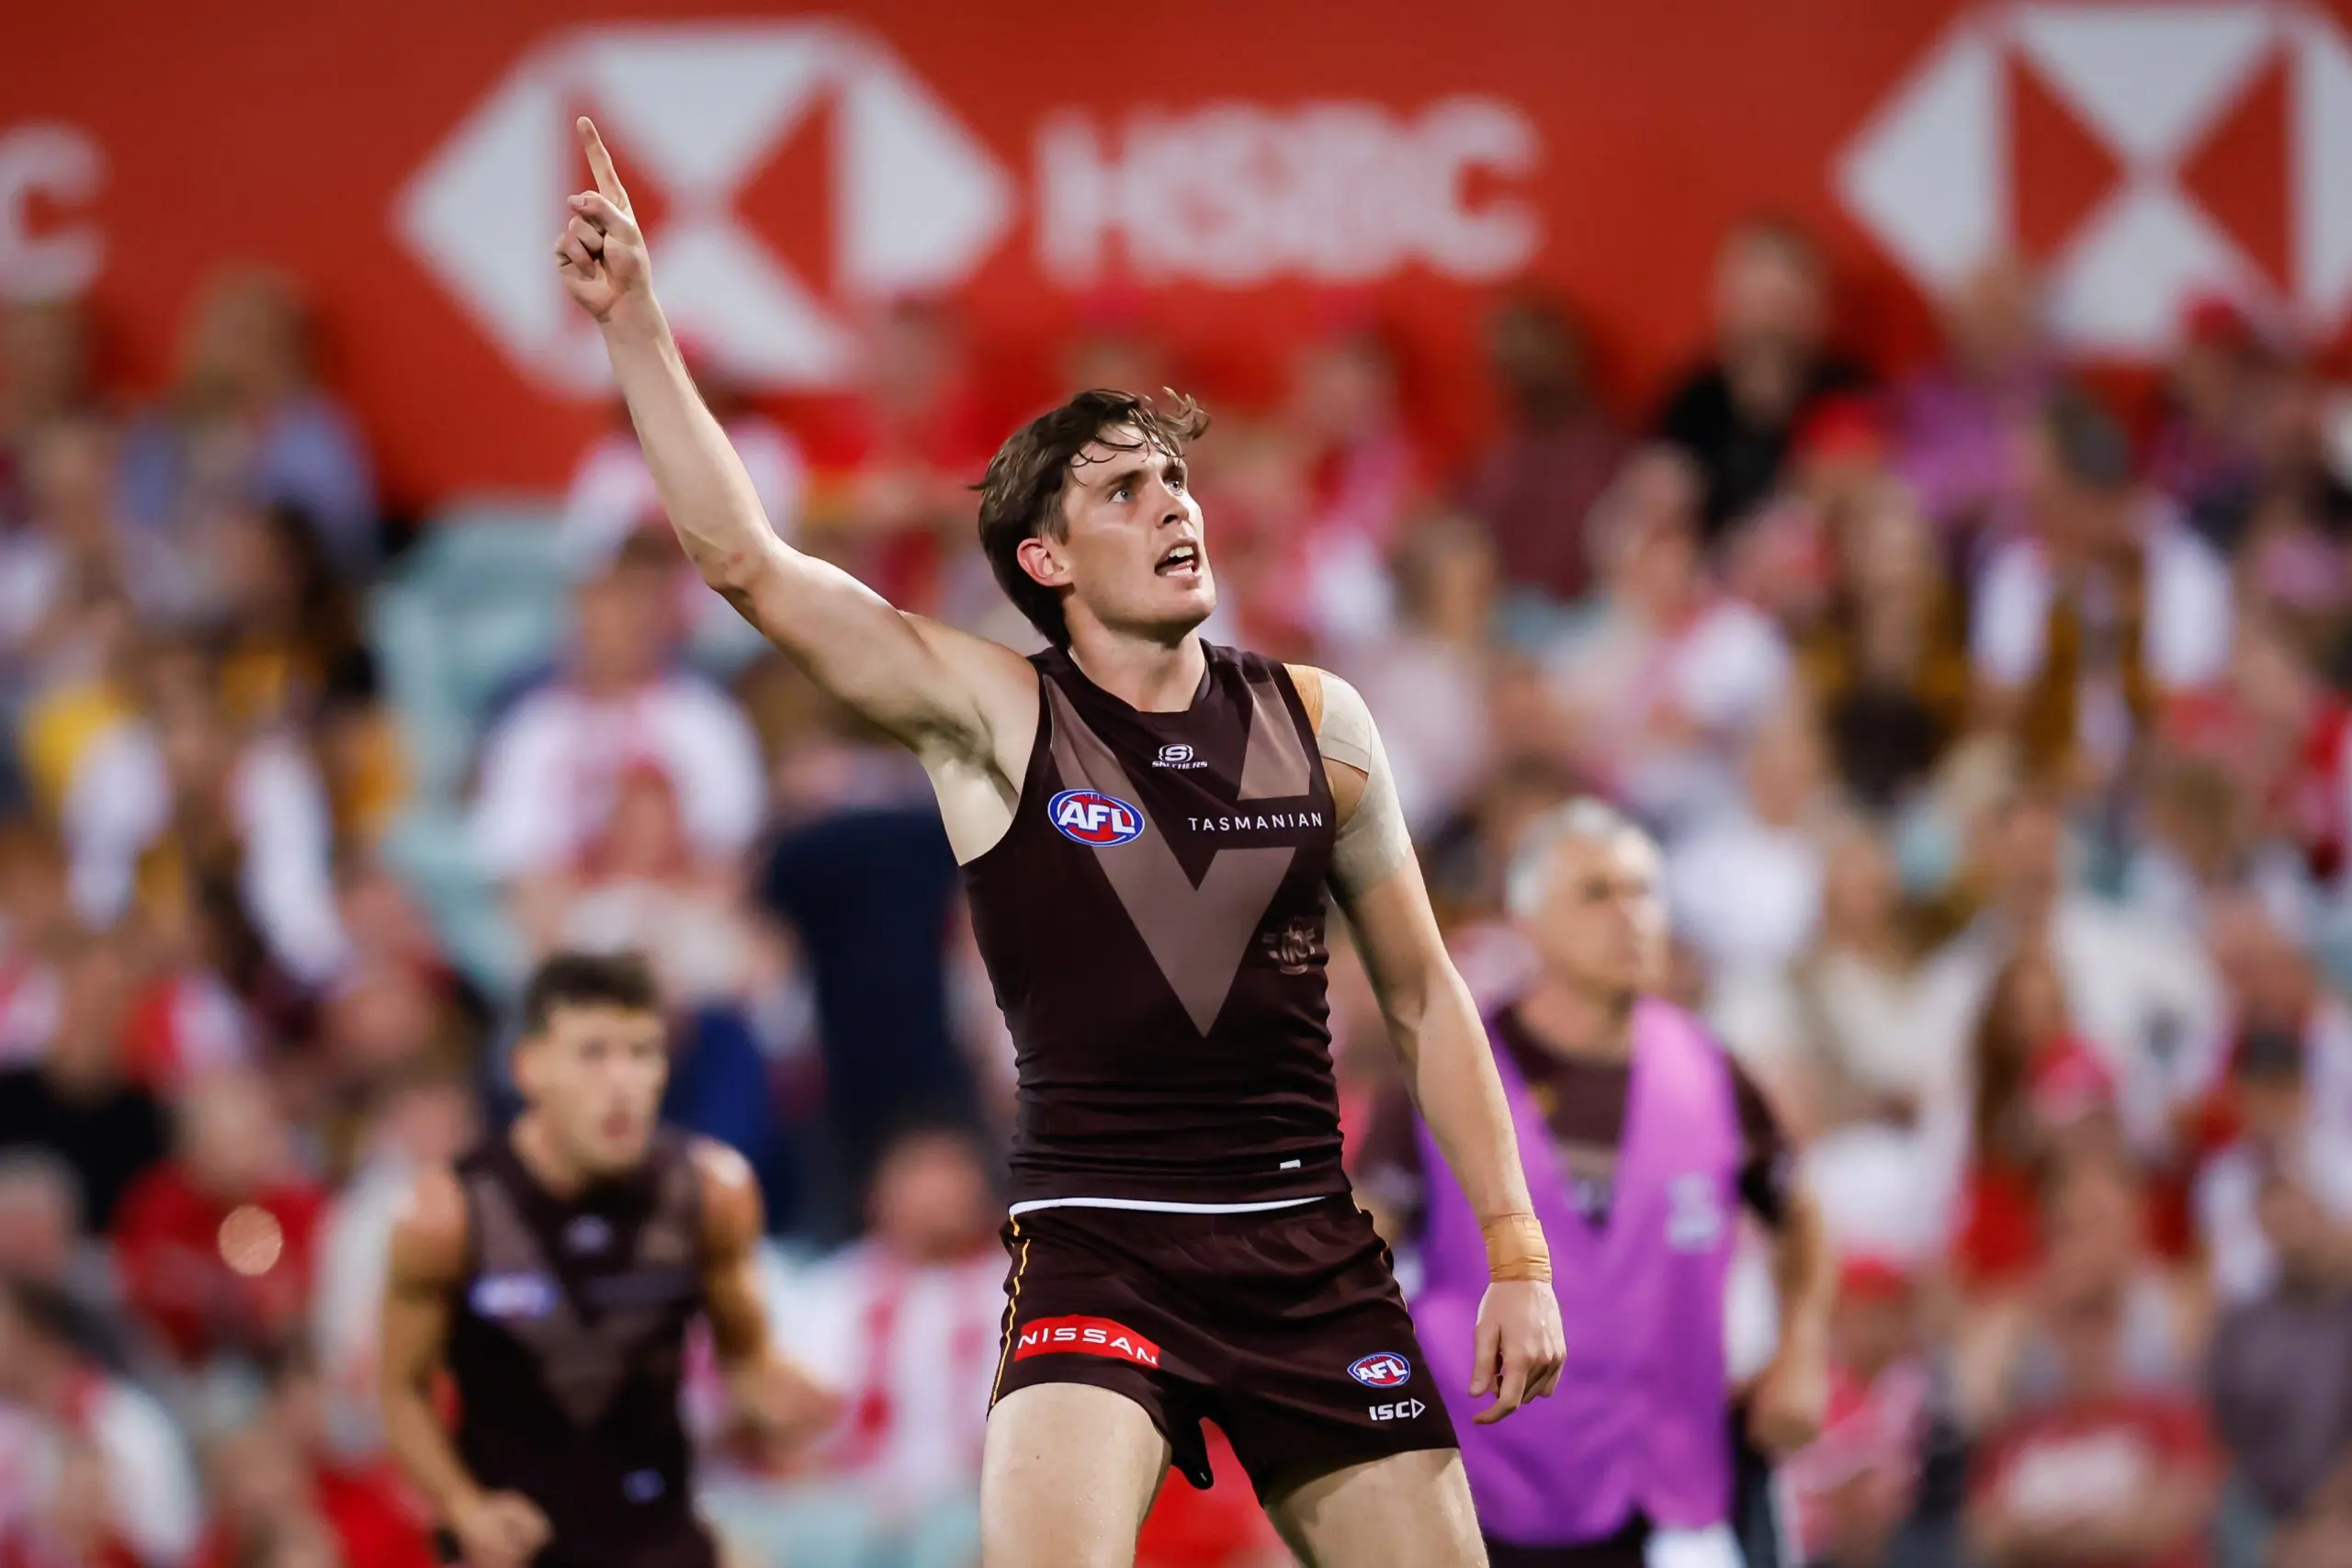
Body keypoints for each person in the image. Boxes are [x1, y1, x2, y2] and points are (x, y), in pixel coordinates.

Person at [552, 118, 1565, 1568]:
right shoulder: (995, 717)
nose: (1177, 506)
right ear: (1045, 558)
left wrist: (1517, 1252)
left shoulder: (1324, 722)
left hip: (1310, 1255)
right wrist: (641, 326)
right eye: (1126, 489)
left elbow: (1423, 996)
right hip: (1099, 1247)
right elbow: (747, 562)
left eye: (1179, 479)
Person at [1362, 798, 1835, 1567]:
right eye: (1596, 894)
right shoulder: (1446, 1066)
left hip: (1663, 1485)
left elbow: (1802, 1212)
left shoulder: (1708, 1070)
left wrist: (1802, 1346)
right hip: (1482, 1484)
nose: (1631, 915)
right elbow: (1362, 1241)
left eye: (1643, 891)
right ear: (1528, 922)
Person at [378, 951, 833, 1568]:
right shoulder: (448, 1216)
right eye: (592, 1053)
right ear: (528, 1068)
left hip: (660, 1538)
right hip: (517, 1547)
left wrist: (776, 1396)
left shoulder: (711, 1192)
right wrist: (463, 1506)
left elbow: (745, 1355)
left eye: (641, 1052)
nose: (621, 1080)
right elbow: (402, 1389)